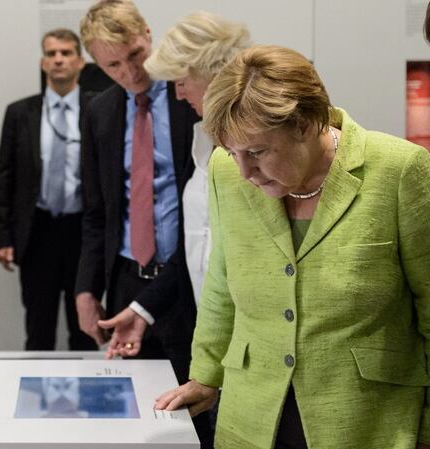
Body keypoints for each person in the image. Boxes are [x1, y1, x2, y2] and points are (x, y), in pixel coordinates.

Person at [155, 45, 430, 449]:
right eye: (232, 152)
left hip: (369, 421)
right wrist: (206, 374)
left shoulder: (399, 170)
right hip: (252, 416)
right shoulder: (225, 173)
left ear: (304, 124)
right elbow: (222, 279)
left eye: (257, 152)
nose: (245, 171)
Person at [74, 0, 199, 372]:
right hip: (127, 281)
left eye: (135, 55)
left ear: (147, 34)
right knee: (136, 401)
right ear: (98, 65)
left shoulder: (190, 100)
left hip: (186, 279)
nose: (130, 72)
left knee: (193, 405)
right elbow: (97, 213)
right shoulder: (100, 112)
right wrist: (86, 288)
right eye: (113, 65)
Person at [0, 28, 96, 351]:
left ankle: (87, 398)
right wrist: (3, 237)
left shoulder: (98, 109)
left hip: (83, 233)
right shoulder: (20, 113)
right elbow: (5, 175)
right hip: (37, 231)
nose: (58, 59)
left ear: (80, 62)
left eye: (66, 53)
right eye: (51, 54)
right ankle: (35, 400)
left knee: (84, 329)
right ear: (42, 62)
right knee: (38, 327)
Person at [144, 11, 251, 303]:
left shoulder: (256, 149)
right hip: (207, 319)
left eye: (181, 82)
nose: (178, 95)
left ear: (211, 73)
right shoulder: (205, 143)